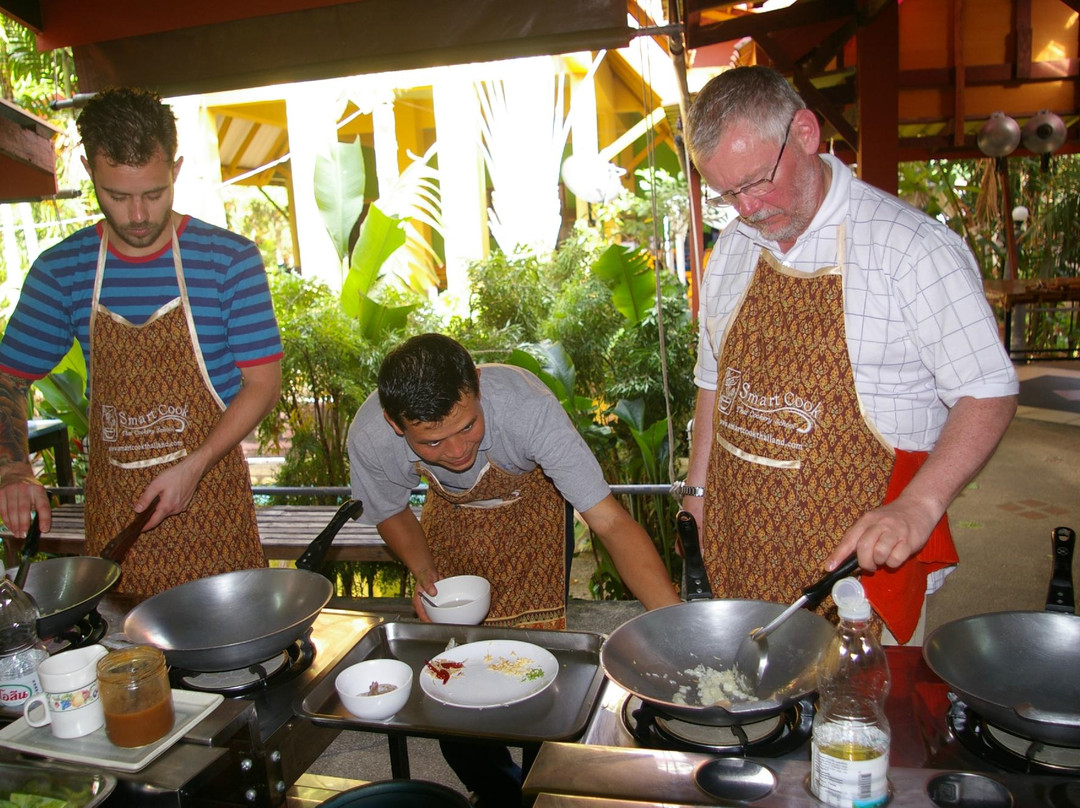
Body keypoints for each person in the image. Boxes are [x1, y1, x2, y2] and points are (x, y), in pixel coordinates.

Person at [680, 66, 1018, 645]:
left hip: (859, 582)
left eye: (758, 181)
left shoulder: (910, 248)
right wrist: (696, 493)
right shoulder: (735, 247)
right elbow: (713, 382)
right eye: (728, 193)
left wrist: (920, 504)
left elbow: (987, 388)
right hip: (738, 561)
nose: (748, 208)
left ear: (806, 134)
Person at [348, 332, 680, 806]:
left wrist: (674, 624)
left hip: (533, 506)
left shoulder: (528, 408)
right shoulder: (370, 437)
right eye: (433, 441)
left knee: (540, 658)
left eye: (468, 426)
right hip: (451, 516)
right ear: (394, 424)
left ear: (478, 388)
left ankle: (538, 783)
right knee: (451, 664)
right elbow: (390, 511)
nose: (458, 451)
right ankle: (498, 789)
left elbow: (608, 520)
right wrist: (426, 574)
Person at [0, 87, 283, 597]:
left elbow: (263, 384)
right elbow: (9, 376)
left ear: (174, 169)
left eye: (153, 194)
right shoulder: (62, 270)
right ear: (89, 170)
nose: (136, 216)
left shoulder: (228, 260)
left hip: (214, 513)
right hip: (115, 521)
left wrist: (194, 466)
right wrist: (13, 469)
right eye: (117, 195)